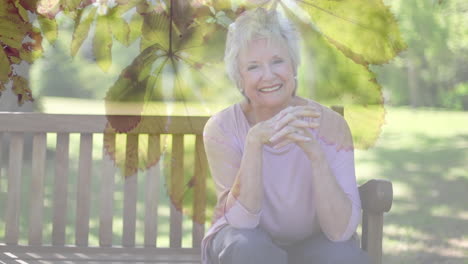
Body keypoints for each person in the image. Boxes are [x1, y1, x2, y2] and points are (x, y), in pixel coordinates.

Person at [201, 8, 370, 264]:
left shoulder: (331, 126)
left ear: (293, 65)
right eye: (253, 66)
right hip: (244, 241)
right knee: (249, 249)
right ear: (240, 78)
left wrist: (315, 154)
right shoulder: (221, 128)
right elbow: (242, 222)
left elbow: (340, 232)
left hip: (312, 243)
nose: (268, 75)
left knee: (344, 256)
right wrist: (254, 143)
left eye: (278, 61)